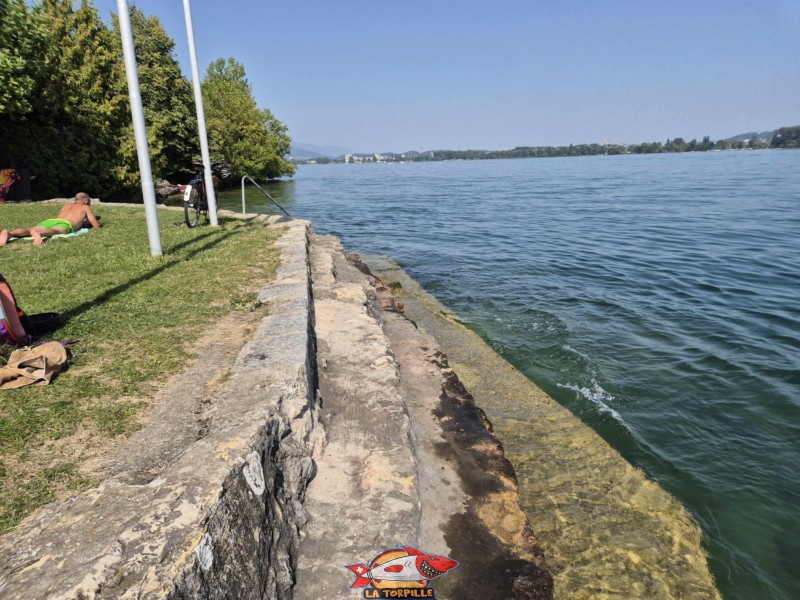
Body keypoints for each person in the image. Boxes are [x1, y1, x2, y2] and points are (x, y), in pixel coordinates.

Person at [0, 192, 101, 246]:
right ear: (86, 201)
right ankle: (40, 234)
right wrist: (98, 223)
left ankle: (10, 233)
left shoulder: (66, 205)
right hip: (65, 224)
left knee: (29, 230)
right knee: (55, 231)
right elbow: (96, 225)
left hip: (51, 221)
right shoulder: (85, 207)